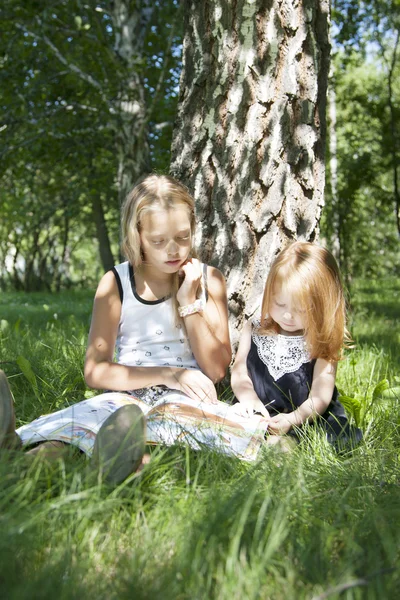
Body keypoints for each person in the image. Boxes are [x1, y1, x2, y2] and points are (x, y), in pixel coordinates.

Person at [0, 174, 232, 482]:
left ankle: (110, 470)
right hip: (124, 402)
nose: (174, 250)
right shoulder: (117, 283)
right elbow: (95, 372)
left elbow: (216, 370)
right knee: (73, 435)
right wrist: (169, 374)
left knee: (163, 446)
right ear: (137, 236)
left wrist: (188, 301)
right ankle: (16, 463)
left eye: (183, 237)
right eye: (159, 241)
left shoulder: (208, 279)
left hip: (184, 402)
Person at [231, 241, 362, 450]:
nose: (288, 315)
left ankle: (285, 446)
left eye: (303, 309)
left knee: (323, 438)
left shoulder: (322, 340)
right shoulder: (254, 328)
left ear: (323, 306)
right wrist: (249, 400)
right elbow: (239, 370)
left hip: (306, 416)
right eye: (280, 304)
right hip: (258, 411)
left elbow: (321, 395)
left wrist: (294, 418)